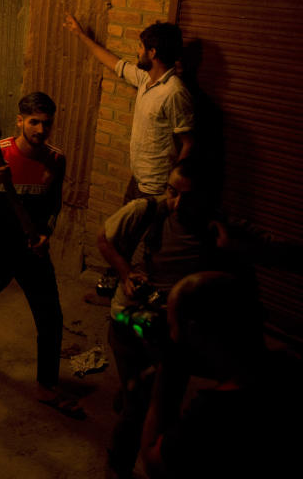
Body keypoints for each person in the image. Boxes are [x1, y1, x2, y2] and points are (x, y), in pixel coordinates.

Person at [97, 158, 229, 478]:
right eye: (172, 191)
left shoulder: (214, 227)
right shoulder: (147, 211)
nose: (177, 202)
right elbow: (104, 239)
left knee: (166, 403)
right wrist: (127, 274)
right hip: (131, 319)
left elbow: (266, 246)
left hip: (174, 328)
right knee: (140, 407)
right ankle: (117, 465)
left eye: (188, 196)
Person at [0, 92, 81, 418]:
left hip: (32, 251)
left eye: (46, 123)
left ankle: (46, 385)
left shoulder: (55, 159)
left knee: (51, 318)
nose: (41, 129)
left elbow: (54, 204)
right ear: (20, 121)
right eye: (34, 122)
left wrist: (46, 234)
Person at [139, 272, 301, 478]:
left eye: (172, 326)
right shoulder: (290, 365)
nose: (170, 335)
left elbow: (154, 462)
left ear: (194, 331)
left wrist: (167, 373)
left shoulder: (211, 414)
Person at [63, 15, 194, 201]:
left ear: (153, 52)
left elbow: (188, 142)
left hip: (156, 189)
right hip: (138, 180)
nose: (137, 51)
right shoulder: (145, 79)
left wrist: (174, 188)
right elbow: (115, 64)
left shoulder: (174, 92)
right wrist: (80, 34)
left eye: (140, 47)